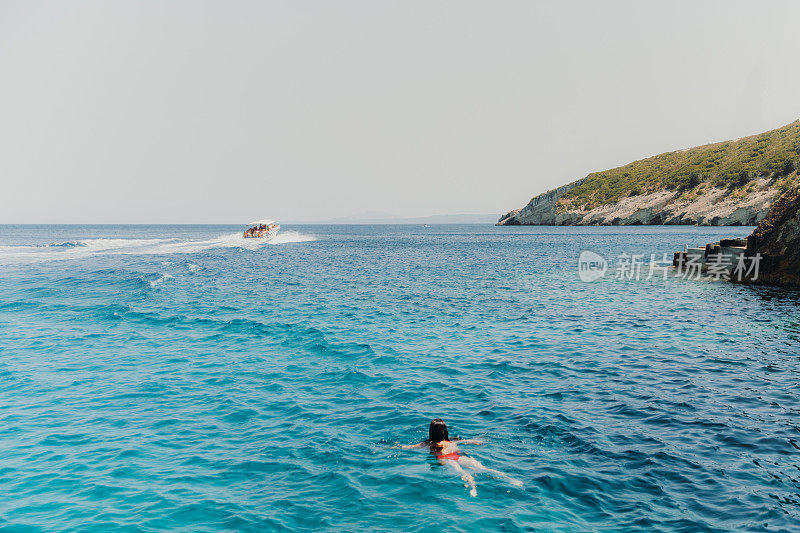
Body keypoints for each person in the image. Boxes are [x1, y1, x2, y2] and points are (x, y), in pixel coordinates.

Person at [397, 418, 522, 497]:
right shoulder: (452, 440)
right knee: (484, 468)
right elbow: (466, 441)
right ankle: (511, 480)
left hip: (446, 459)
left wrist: (394, 447)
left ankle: (473, 487)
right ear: (445, 430)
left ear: (431, 431)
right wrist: (477, 441)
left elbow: (410, 447)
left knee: (462, 472)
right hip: (457, 456)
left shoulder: (428, 443)